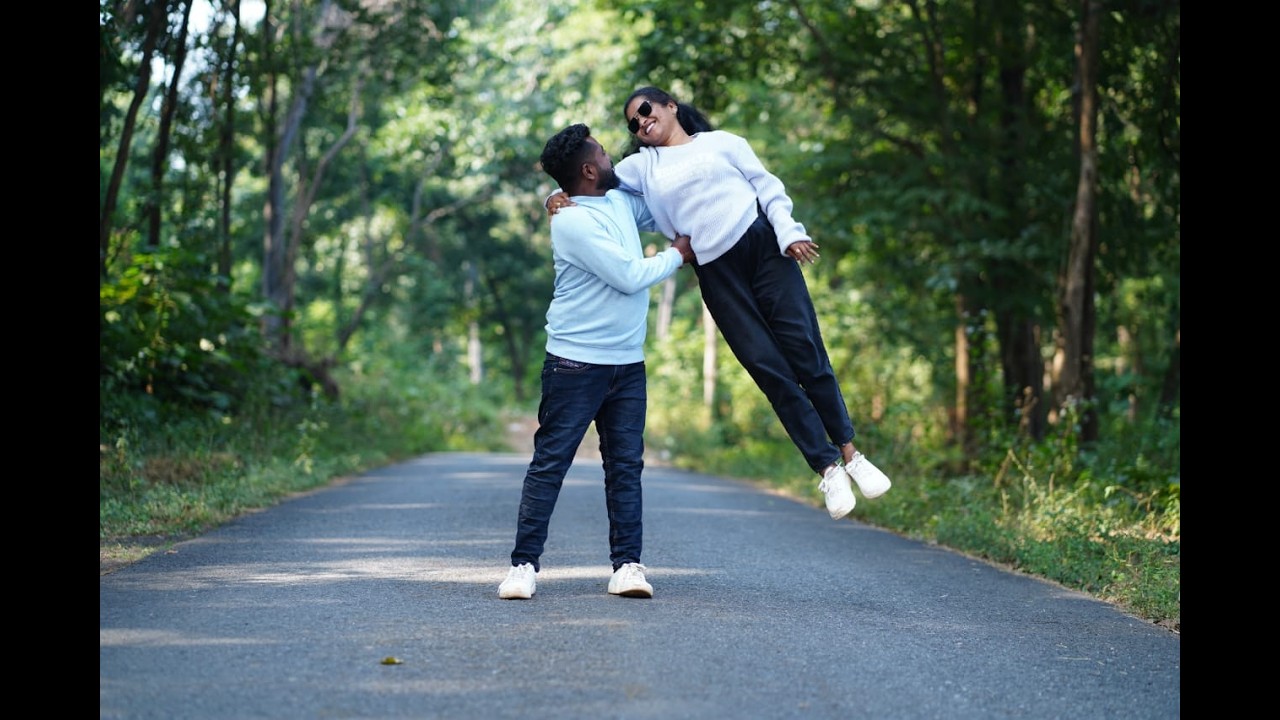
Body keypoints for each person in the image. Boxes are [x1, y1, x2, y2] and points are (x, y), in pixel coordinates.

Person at [546, 86, 891, 521]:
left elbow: (768, 188)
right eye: (633, 122)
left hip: (765, 249)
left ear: (671, 106)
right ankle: (827, 467)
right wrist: (552, 197)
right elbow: (586, 182)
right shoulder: (641, 167)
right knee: (767, 367)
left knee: (806, 350)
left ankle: (852, 453)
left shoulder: (724, 143)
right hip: (717, 272)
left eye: (646, 110)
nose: (641, 122)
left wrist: (790, 232)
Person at [499, 123, 696, 601]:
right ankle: (523, 567)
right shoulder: (570, 222)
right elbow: (628, 276)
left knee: (625, 467)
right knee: (551, 463)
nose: (613, 160)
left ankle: (627, 566)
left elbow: (664, 204)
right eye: (604, 154)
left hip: (627, 363)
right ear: (589, 170)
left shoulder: (619, 202)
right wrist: (677, 254)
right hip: (575, 364)